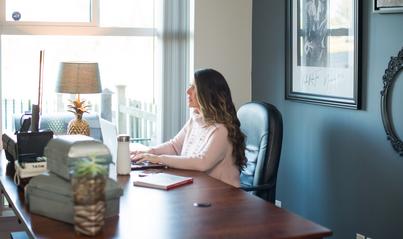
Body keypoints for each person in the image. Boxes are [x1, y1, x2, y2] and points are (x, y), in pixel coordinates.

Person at [131, 68, 246, 187]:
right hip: (200, 188)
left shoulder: (221, 130)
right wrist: (150, 152)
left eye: (193, 87)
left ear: (207, 94)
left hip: (224, 196)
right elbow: (174, 146)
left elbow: (202, 162)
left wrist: (159, 159)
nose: (187, 91)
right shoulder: (196, 119)